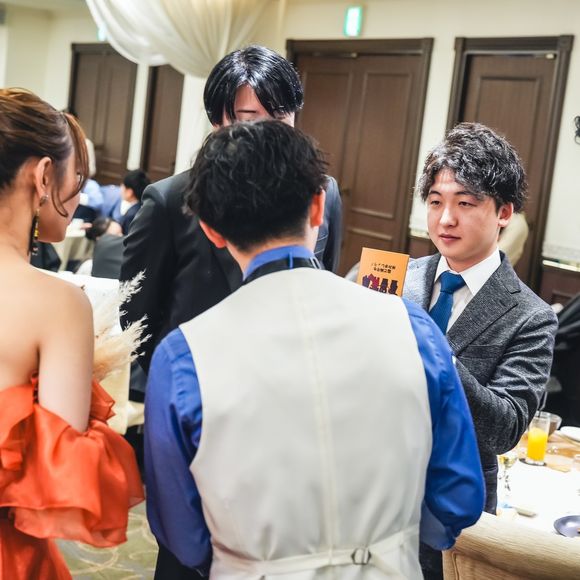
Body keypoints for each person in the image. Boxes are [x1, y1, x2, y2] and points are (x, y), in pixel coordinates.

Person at [144, 120, 485, 578]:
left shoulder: (184, 356)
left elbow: (182, 533)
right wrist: (388, 540)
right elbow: (458, 499)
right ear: (319, 206)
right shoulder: (412, 328)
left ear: (211, 230)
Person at [120, 45, 343, 373]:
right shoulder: (170, 200)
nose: (266, 137)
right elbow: (136, 316)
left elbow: (321, 284)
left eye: (279, 119)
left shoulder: (321, 192)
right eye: (249, 121)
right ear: (216, 123)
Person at [403, 122, 558, 579]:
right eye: (436, 202)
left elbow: (504, 428)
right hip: (372, 492)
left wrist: (438, 354)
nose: (445, 219)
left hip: (452, 513)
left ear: (504, 212)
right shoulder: (400, 280)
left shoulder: (530, 316)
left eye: (465, 203)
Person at [0, 88, 143, 579]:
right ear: (43, 176)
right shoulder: (59, 304)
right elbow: (60, 473)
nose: (78, 195)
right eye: (76, 179)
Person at [119, 169, 150, 235]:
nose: (121, 188)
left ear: (129, 192)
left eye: (123, 186)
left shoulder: (131, 215)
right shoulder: (145, 207)